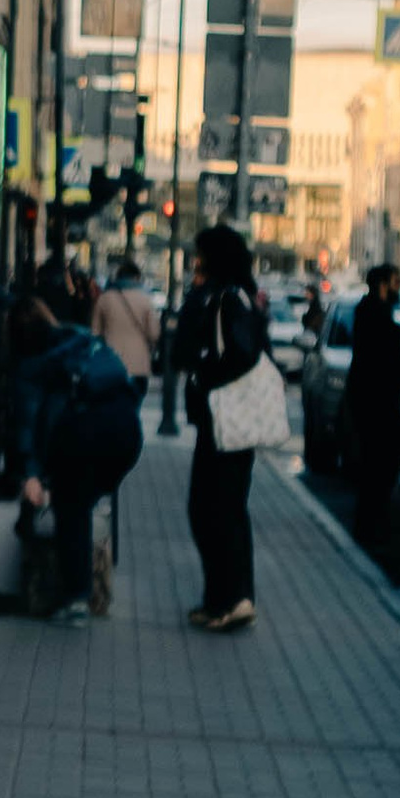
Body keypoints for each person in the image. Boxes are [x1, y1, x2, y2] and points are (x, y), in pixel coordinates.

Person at [15, 295, 144, 624]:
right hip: (127, 430)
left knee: (70, 509)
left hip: (87, 434)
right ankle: (88, 586)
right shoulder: (82, 339)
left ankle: (76, 601)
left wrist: (31, 473)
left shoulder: (34, 363)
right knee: (81, 500)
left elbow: (30, 421)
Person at [172, 220, 268, 632]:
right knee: (226, 509)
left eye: (201, 255)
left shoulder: (222, 299)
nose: (197, 262)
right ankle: (227, 598)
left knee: (211, 509)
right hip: (236, 419)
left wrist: (207, 376)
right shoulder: (243, 296)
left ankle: (230, 599)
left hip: (223, 419)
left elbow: (188, 352)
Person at [343, 260, 400, 565]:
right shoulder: (376, 318)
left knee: (377, 467)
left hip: (371, 404)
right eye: (397, 281)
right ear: (384, 284)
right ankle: (372, 531)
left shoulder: (371, 314)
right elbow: (390, 365)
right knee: (381, 467)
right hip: (378, 406)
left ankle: (370, 528)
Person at [92, 253, 160, 386]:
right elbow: (154, 334)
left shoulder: (105, 298)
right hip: (138, 364)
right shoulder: (145, 299)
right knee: (134, 401)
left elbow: (95, 333)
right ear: (137, 278)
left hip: (111, 362)